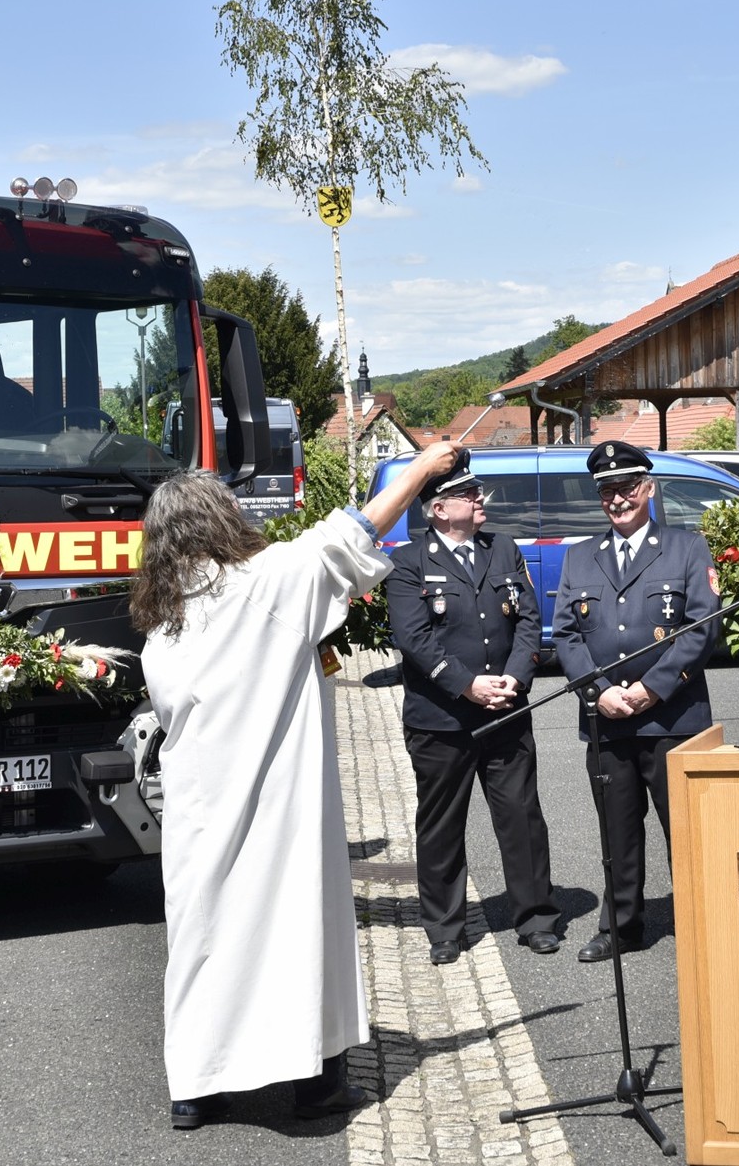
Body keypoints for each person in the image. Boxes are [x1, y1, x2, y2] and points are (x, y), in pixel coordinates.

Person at [132, 440, 461, 1131]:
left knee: (204, 937)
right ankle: (314, 1081)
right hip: (278, 802)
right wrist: (424, 469)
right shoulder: (269, 581)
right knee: (297, 927)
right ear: (222, 520)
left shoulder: (162, 625)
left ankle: (198, 1085)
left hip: (199, 811)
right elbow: (355, 530)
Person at [384, 449, 561, 965]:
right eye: (466, 494)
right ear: (438, 508)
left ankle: (537, 919)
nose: (478, 498)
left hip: (505, 711)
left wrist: (516, 676)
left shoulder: (503, 549)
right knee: (441, 826)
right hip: (441, 721)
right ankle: (444, 928)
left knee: (523, 818)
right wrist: (467, 686)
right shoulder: (407, 562)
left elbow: (529, 619)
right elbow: (414, 640)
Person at [552, 440, 719, 963]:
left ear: (648, 489)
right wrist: (599, 693)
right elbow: (565, 636)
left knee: (686, 833)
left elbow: (702, 627)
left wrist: (652, 688)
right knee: (617, 834)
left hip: (672, 719)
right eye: (607, 491)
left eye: (626, 488)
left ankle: (701, 922)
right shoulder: (580, 557)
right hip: (609, 723)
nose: (617, 499)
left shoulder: (687, 548)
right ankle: (621, 927)